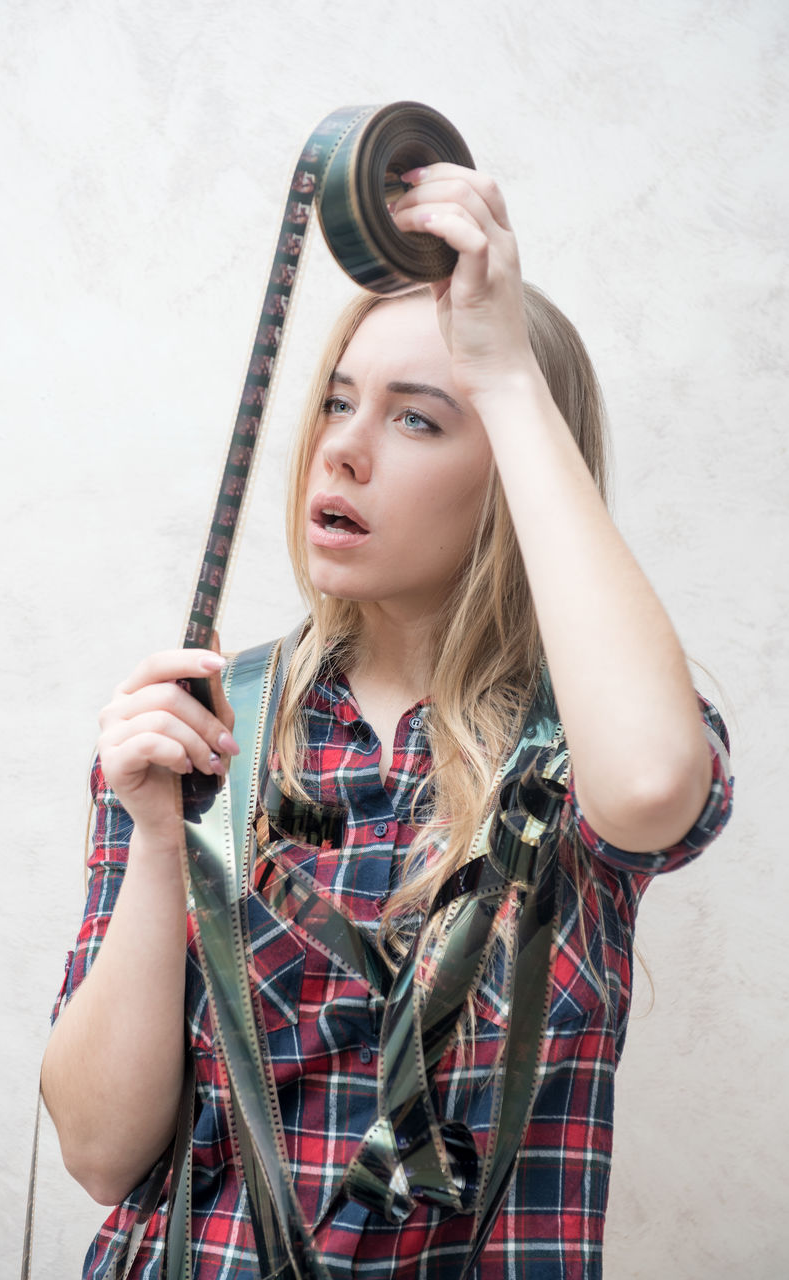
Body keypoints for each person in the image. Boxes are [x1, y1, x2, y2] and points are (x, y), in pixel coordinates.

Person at [41, 165, 733, 1278]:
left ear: (511, 467)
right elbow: (98, 1150)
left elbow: (656, 783)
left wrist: (505, 369)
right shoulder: (205, 722)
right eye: (335, 399)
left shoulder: (577, 747)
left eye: (417, 415)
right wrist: (160, 835)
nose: (345, 447)